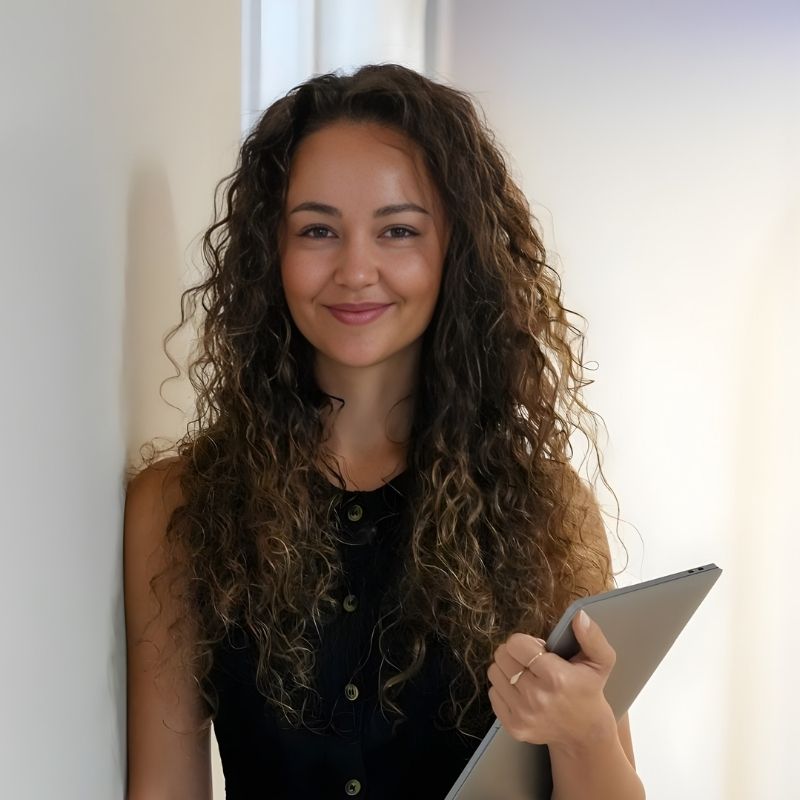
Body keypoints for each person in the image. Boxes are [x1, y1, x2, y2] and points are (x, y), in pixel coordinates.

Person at [123, 63, 646, 799]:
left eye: (397, 230)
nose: (356, 269)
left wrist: (585, 728)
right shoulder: (177, 508)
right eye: (317, 229)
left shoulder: (547, 509)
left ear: (453, 252)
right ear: (270, 251)